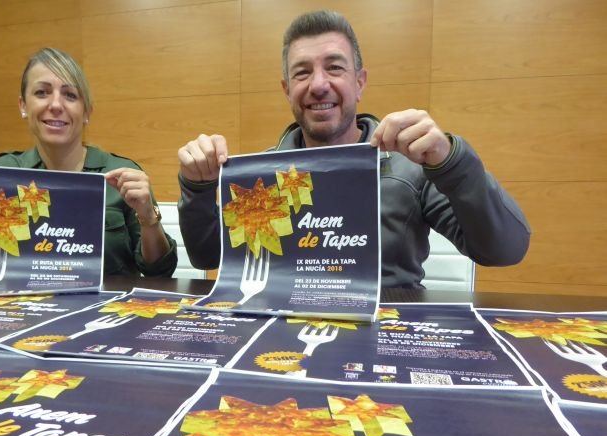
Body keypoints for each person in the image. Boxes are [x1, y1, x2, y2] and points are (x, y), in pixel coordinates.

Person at [177, 10, 530, 288]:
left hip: (388, 332)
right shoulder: (262, 177)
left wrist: (452, 161)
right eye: (302, 73)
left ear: (359, 83)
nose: (318, 84)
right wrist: (198, 187)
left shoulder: (410, 167)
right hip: (283, 338)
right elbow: (208, 257)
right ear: (287, 90)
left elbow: (505, 249)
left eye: (334, 68)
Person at [0, 47, 177, 277]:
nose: (55, 104)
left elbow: (159, 270)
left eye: (70, 95)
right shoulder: (0, 175)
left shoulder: (121, 174)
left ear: (86, 112)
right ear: (23, 105)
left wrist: (148, 218)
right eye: (42, 92)